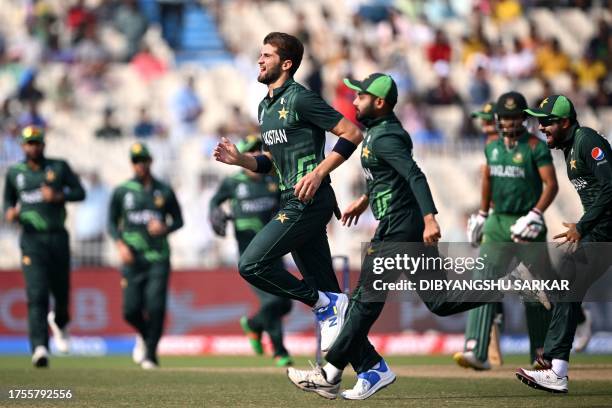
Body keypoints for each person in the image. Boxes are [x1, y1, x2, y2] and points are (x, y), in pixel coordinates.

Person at [286, 74, 550, 400]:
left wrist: (430, 219)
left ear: (379, 103)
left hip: (400, 227)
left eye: (361, 96)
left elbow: (414, 175)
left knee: (364, 302)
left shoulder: (386, 137)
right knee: (439, 301)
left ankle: (333, 372)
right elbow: (390, 176)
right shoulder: (380, 133)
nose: (354, 101)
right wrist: (366, 200)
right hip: (402, 224)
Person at [213, 32, 363, 356]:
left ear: (286, 63)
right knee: (331, 293)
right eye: (260, 54)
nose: (259, 60)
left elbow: (352, 133)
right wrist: (241, 160)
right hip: (290, 198)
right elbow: (271, 162)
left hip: (309, 200)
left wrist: (319, 171)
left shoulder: (300, 98)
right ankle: (372, 368)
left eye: (266, 55)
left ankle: (321, 303)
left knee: (251, 264)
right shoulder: (265, 107)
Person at [517, 95, 612, 393]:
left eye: (546, 122)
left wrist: (583, 227)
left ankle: (557, 369)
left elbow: (611, 185)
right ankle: (557, 367)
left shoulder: (587, 141)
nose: (541, 127)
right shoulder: (571, 147)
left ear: (565, 122)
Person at [457, 92, 559, 370]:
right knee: (482, 279)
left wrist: (536, 214)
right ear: (499, 119)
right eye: (506, 117)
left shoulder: (535, 147)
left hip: (528, 225)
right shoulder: (492, 148)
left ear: (523, 119)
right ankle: (475, 350)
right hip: (498, 223)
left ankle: (541, 354)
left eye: (515, 117)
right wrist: (482, 213)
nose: (510, 122)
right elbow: (488, 179)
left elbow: (551, 184)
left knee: (533, 288)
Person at [2, 125, 85, 367]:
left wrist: (59, 197)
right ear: (22, 146)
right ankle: (39, 347)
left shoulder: (58, 167)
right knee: (36, 294)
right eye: (29, 143)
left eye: (37, 142)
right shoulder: (14, 173)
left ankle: (60, 322)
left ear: (43, 145)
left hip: (57, 237)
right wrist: (9, 213)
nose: (33, 147)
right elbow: (8, 202)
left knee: (61, 294)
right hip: (31, 240)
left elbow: (80, 192)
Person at [209, 135, 293, 367]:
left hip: (274, 251)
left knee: (286, 303)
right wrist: (215, 212)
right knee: (273, 301)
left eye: (259, 149)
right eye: (251, 150)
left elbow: (287, 206)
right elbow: (214, 201)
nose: (256, 154)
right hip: (251, 255)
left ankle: (254, 325)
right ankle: (279, 351)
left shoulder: (272, 181)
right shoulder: (233, 182)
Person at [108, 142, 183, 369]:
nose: (139, 165)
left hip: (158, 256)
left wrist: (165, 228)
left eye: (143, 160)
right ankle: (144, 335)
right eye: (135, 161)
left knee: (156, 307)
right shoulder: (123, 191)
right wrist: (120, 245)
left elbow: (179, 220)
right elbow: (111, 223)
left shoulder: (164, 190)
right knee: (130, 311)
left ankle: (150, 354)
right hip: (133, 258)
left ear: (150, 161)